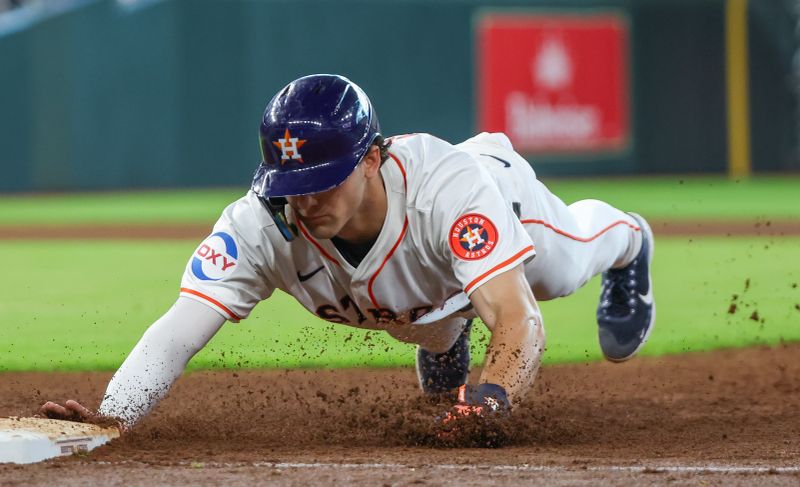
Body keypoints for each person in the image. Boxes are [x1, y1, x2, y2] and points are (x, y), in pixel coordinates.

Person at [41, 74, 655, 432]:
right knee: (405, 305)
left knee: (563, 272)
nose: (304, 200)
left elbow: (520, 321)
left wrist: (492, 397)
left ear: (371, 157)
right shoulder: (260, 224)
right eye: (291, 185)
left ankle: (630, 240)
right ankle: (444, 334)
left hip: (501, 197)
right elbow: (178, 332)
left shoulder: (450, 192)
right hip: (425, 285)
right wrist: (111, 416)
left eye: (321, 179)